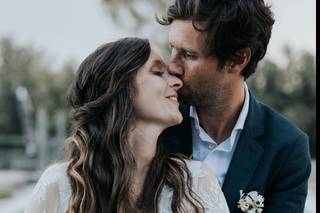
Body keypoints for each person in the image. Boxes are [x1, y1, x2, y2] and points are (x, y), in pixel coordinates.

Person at [24, 37, 229, 213]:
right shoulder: (59, 185)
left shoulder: (196, 182)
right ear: (119, 88)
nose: (177, 82)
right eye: (158, 72)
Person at [157, 0, 311, 212]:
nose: (172, 66)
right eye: (172, 48)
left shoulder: (287, 148)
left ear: (239, 59)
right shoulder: (155, 123)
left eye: (189, 55)